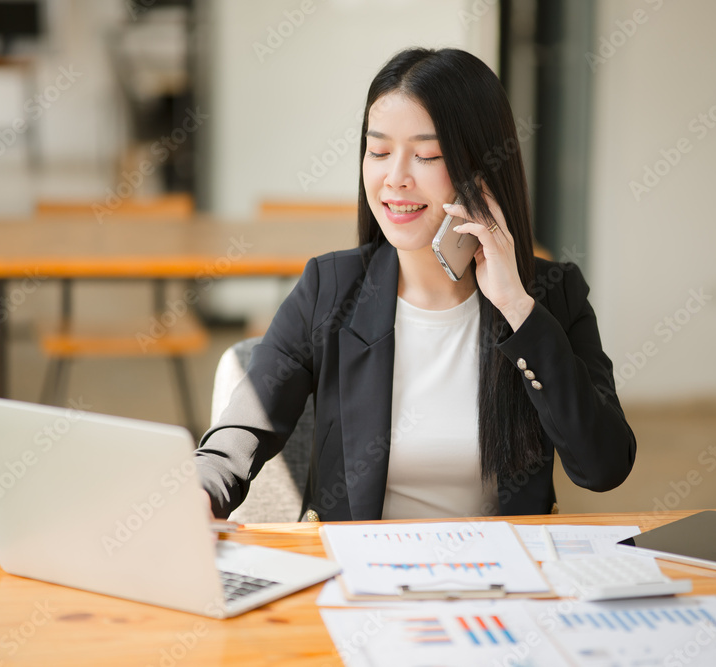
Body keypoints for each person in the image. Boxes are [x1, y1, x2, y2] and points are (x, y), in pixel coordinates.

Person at [195, 47, 636, 522]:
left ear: (482, 172)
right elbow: (234, 445)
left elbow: (604, 466)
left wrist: (515, 306)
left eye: (426, 155)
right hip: (361, 582)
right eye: (378, 151)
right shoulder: (330, 288)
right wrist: (195, 497)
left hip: (505, 586)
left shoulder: (552, 294)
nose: (394, 179)